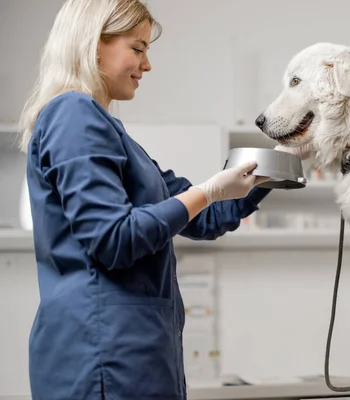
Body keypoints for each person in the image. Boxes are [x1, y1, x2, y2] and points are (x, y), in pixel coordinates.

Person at [17, 1, 310, 399]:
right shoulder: (74, 114)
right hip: (102, 352)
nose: (147, 65)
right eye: (137, 49)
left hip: (135, 353)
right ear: (92, 45)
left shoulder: (111, 134)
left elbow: (205, 217)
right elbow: (113, 239)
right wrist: (206, 191)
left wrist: (280, 161)